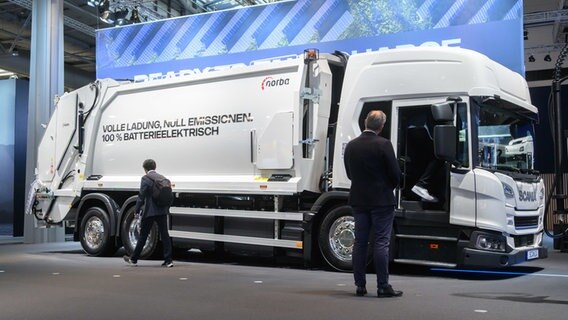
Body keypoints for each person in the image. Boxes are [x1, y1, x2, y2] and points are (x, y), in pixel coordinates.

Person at [343, 110, 403, 298]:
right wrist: (387, 187)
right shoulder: (384, 145)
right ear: (381, 126)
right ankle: (383, 286)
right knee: (381, 242)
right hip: (382, 200)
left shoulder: (351, 146)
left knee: (360, 242)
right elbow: (395, 175)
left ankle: (360, 285)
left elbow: (349, 174)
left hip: (359, 200)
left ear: (364, 122)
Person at [124, 159, 173, 268]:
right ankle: (169, 260)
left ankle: (134, 259)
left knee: (143, 236)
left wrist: (136, 210)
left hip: (150, 211)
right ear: (155, 167)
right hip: (162, 210)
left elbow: (141, 196)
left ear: (145, 169)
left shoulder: (145, 178)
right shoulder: (162, 177)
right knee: (165, 234)